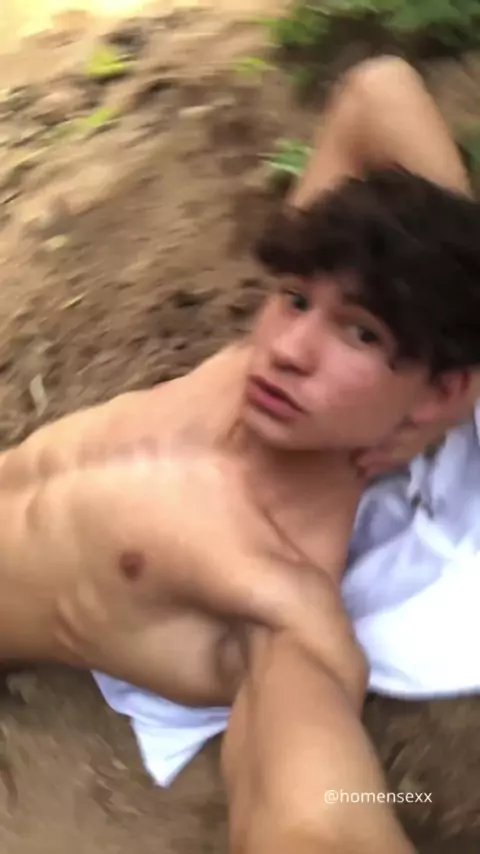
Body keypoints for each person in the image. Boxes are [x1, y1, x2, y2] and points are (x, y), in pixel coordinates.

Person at [0, 55, 479, 854]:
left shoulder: (277, 593)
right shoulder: (261, 370)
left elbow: (316, 809)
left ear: (434, 389)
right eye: (294, 298)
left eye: (361, 333)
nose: (289, 349)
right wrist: (464, 353)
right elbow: (378, 90)